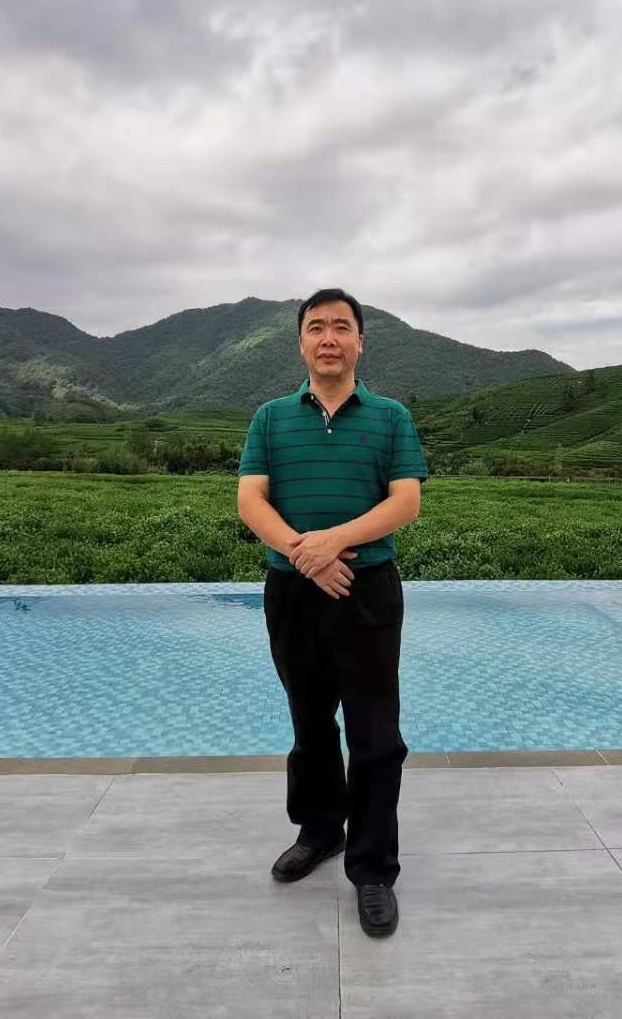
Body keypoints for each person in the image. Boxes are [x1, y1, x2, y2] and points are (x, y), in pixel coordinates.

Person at [237, 287, 428, 937]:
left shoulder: (391, 416)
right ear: (301, 343)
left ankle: (373, 869)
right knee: (310, 721)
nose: (328, 337)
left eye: (341, 327)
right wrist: (305, 554)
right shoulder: (270, 418)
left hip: (367, 588)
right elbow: (251, 499)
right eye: (316, 326)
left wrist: (332, 543)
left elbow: (405, 501)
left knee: (375, 733)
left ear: (359, 342)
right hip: (292, 591)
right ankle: (320, 831)